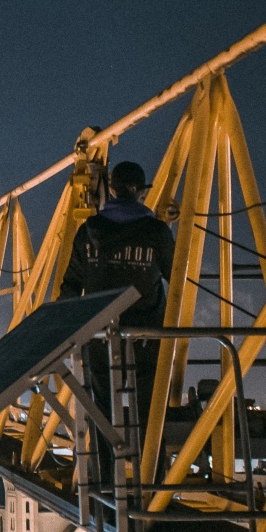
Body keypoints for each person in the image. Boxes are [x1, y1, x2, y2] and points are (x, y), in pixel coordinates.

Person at [59, 160, 176, 456]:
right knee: (149, 406)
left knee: (101, 405)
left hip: (100, 330)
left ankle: (107, 476)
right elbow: (176, 279)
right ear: (141, 193)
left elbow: (71, 284)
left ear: (111, 189)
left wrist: (64, 329)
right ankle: (151, 471)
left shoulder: (89, 231)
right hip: (146, 333)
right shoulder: (157, 232)